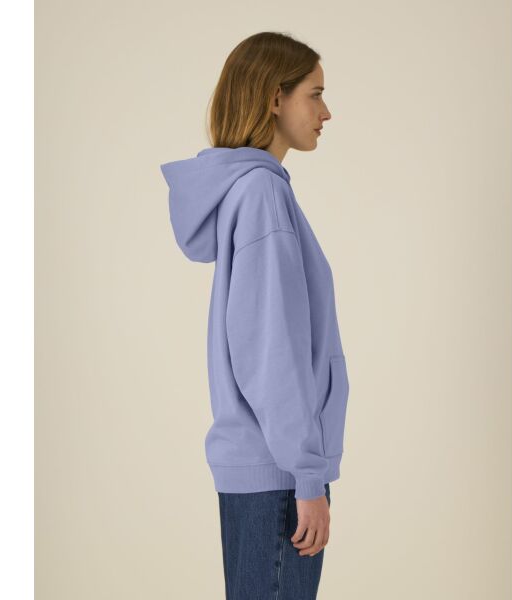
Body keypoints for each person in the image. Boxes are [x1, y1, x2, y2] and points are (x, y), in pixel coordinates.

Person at [159, 31, 349, 599]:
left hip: (263, 468)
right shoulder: (262, 195)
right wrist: (308, 476)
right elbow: (271, 351)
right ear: (274, 98)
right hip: (280, 475)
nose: (326, 113)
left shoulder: (248, 193)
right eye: (315, 94)